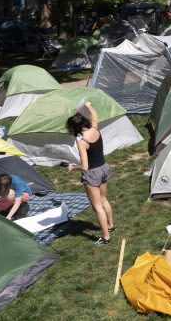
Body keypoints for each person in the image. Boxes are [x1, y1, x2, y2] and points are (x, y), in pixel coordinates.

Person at [66, 102, 114, 244]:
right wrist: (88, 105)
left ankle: (105, 237)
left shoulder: (82, 142)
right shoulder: (95, 128)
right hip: (104, 168)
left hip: (92, 174)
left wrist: (72, 167)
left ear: (76, 128)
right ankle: (111, 226)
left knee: (97, 207)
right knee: (104, 200)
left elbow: (85, 167)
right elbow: (95, 116)